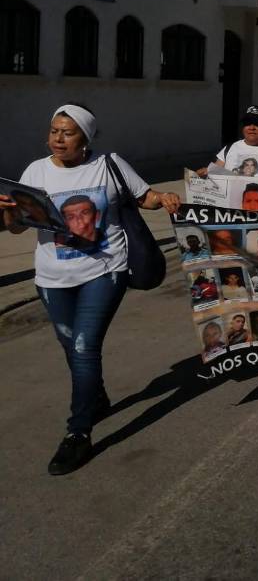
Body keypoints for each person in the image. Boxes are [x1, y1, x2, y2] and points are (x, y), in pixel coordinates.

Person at [0, 105, 182, 475]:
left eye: (68, 133)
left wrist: (163, 198)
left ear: (85, 139)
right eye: (54, 131)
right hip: (51, 277)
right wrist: (7, 211)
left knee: (84, 347)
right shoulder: (36, 171)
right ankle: (95, 396)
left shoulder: (109, 164)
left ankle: (78, 434)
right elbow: (18, 228)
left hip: (104, 270)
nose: (58, 139)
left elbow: (143, 196)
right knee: (71, 346)